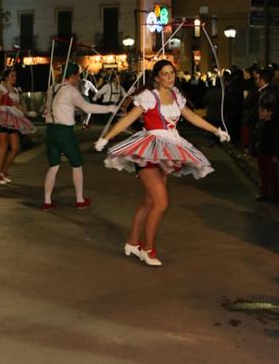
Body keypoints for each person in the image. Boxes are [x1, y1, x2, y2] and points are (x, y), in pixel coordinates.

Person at [95, 59, 229, 266]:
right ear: (156, 78)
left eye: (171, 73)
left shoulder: (176, 96)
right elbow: (128, 119)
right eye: (164, 74)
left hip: (169, 151)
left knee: (150, 202)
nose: (169, 77)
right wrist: (106, 137)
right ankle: (147, 249)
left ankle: (132, 242)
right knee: (161, 203)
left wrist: (216, 130)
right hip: (148, 150)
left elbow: (192, 117)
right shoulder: (149, 97)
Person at [43, 62, 116, 210]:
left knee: (53, 166)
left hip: (49, 131)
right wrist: (108, 108)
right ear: (73, 76)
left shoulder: (52, 88)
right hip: (64, 132)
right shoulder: (71, 91)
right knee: (77, 164)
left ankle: (47, 201)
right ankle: (80, 199)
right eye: (78, 76)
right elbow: (86, 107)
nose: (79, 79)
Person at [0, 67, 35, 184]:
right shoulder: (0, 88)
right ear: (6, 77)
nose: (15, 78)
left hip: (13, 119)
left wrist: (26, 112)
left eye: (15, 75)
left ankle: (3, 171)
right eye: (12, 75)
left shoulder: (15, 90)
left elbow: (18, 105)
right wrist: (6, 100)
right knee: (3, 148)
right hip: (1, 118)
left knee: (15, 148)